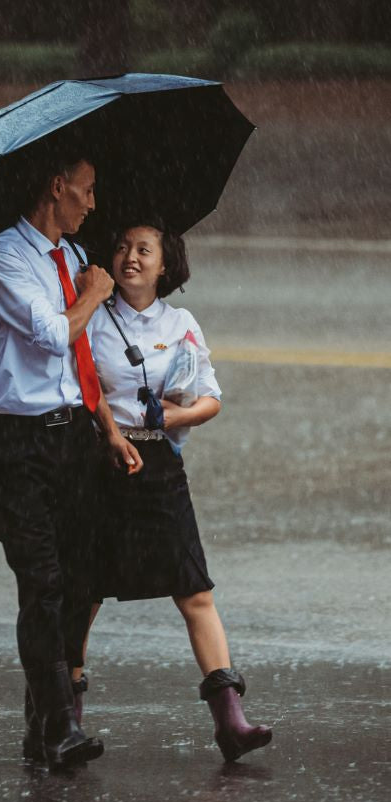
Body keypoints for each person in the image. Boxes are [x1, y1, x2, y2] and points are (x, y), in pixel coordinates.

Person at [75, 221, 272, 763]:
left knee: (194, 590)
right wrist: (111, 434)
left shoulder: (181, 323)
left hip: (160, 465)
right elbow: (80, 382)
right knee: (84, 593)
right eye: (122, 248)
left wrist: (179, 413)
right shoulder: (92, 316)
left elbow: (210, 398)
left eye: (144, 250)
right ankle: (62, 718)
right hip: (102, 464)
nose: (130, 258)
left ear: (166, 265)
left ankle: (230, 720)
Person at [0, 151, 143, 769]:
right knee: (40, 581)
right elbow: (52, 334)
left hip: (74, 437)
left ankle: (43, 724)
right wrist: (96, 293)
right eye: (88, 191)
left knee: (77, 582)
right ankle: (58, 724)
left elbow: (83, 363)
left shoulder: (72, 258)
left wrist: (109, 428)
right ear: (57, 187)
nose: (93, 204)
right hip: (20, 442)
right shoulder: (5, 258)